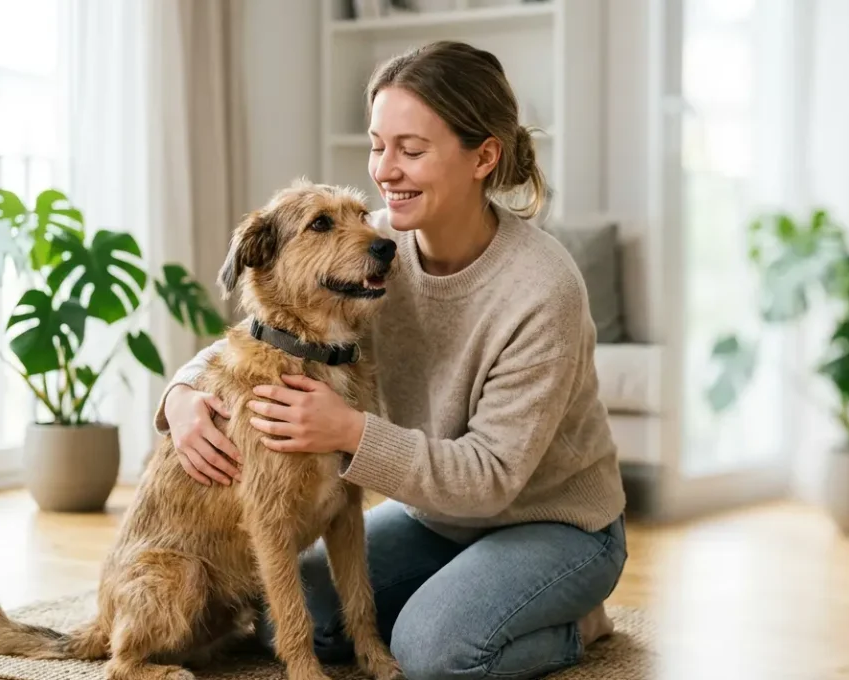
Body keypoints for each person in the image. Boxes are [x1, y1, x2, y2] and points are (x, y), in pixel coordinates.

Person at [154, 40, 628, 680]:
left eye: (412, 150)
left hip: (554, 522)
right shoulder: (373, 245)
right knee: (283, 619)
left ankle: (577, 624)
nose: (386, 169)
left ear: (484, 156)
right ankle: (468, 592)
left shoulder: (542, 290)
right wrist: (182, 394)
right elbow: (274, 326)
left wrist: (348, 431)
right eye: (379, 145)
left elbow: (491, 478)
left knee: (435, 652)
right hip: (435, 512)